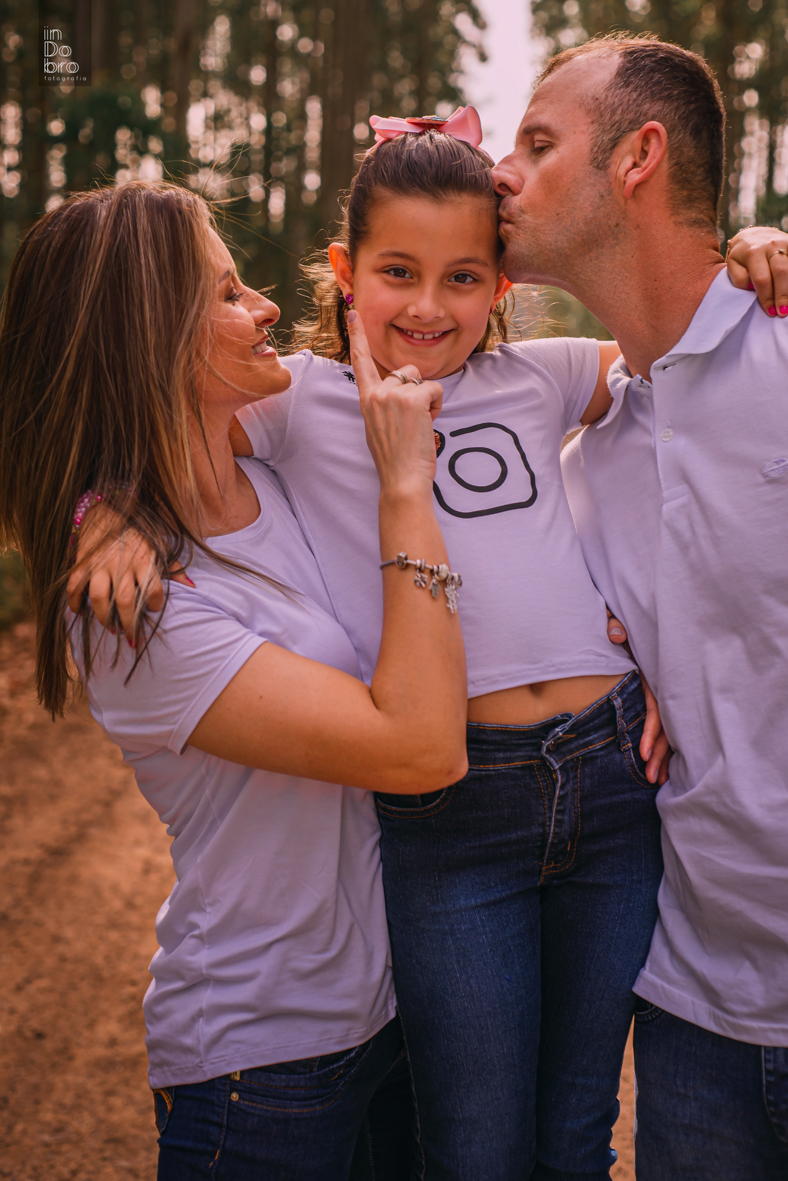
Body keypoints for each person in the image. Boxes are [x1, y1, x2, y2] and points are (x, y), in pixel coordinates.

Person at [70, 122, 781, 1179]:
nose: (427, 306)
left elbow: (670, 360)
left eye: (463, 277)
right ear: (345, 273)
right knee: (472, 1143)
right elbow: (153, 420)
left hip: (609, 772)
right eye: (397, 272)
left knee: (577, 1131)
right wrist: (108, 513)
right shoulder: (299, 401)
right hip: (456, 805)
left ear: (501, 287)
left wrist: (750, 255)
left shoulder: (542, 376)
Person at [0, 180, 470, 1180]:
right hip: (266, 1063)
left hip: (397, 1017)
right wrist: (404, 486)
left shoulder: (279, 456)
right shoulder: (137, 609)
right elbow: (419, 748)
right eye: (224, 293)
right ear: (146, 341)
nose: (264, 307)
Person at [492, 33, 788, 1180]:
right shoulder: (584, 461)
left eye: (536, 142)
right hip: (693, 1015)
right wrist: (102, 505)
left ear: (637, 157)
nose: (501, 172)